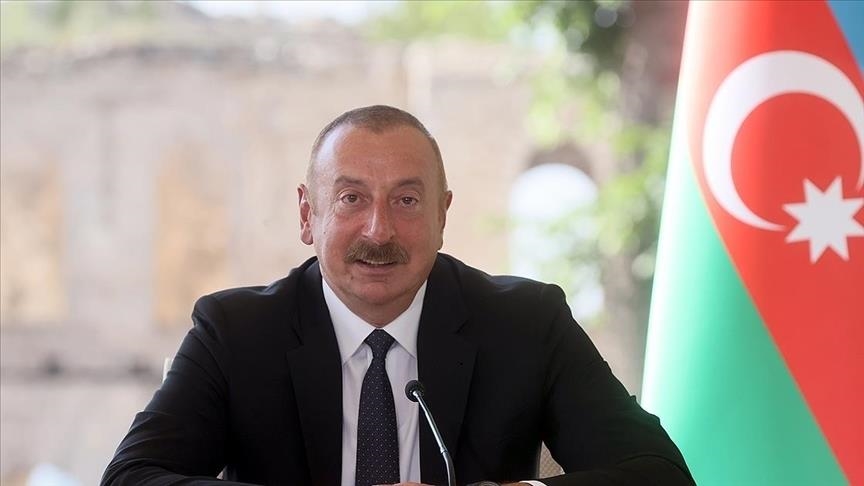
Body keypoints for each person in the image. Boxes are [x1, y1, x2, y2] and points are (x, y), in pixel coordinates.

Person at [102, 105, 693, 486]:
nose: (379, 231)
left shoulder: (526, 323)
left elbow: (659, 473)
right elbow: (131, 477)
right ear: (308, 215)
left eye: (407, 201)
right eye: (351, 199)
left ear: (442, 215)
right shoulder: (235, 331)